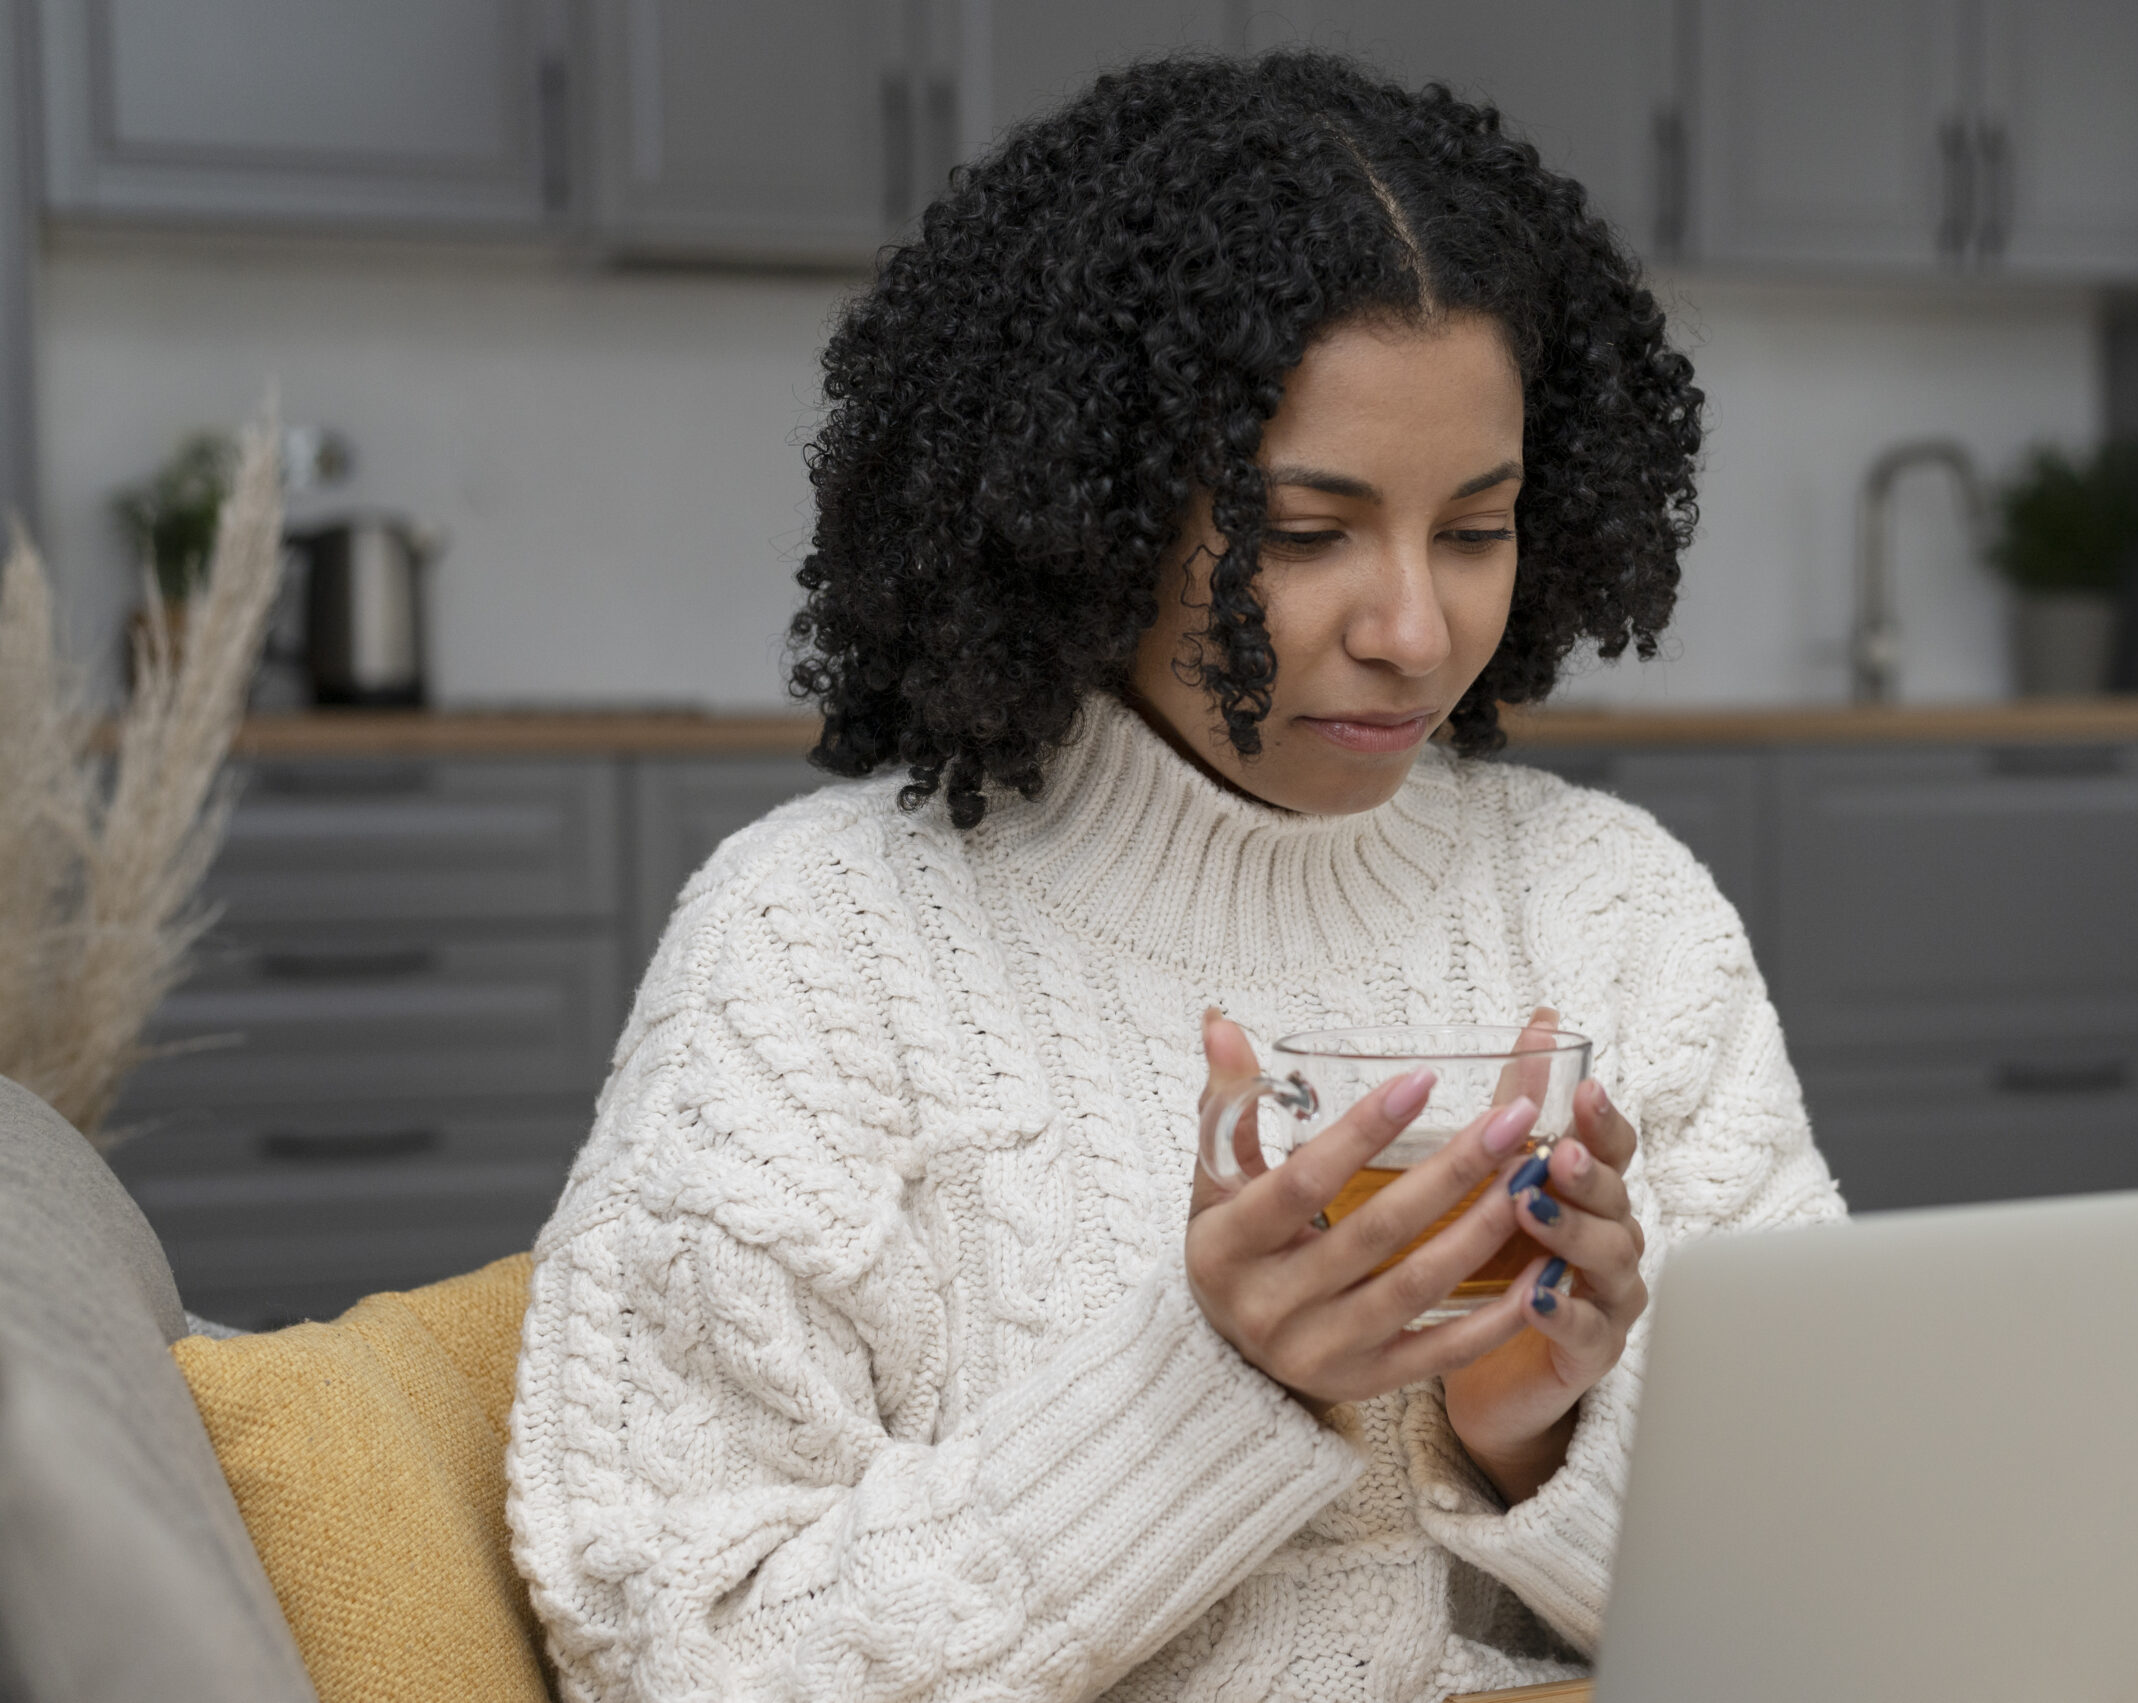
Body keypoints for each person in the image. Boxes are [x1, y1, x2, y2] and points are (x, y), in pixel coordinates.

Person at [507, 49, 1841, 1703]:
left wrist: (1537, 1435)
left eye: (1477, 528)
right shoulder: (821, 943)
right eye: (1303, 531)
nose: (1413, 630)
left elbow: (1857, 1592)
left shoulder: (1616, 911)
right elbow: (663, 1657)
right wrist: (1213, 1390)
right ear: (1091, 510)